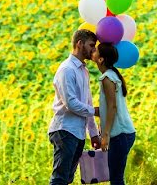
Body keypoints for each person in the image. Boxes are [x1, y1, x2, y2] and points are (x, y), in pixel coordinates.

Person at [48, 29, 102, 185]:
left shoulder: (84, 71)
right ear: (79, 44)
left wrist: (93, 133)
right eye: (91, 45)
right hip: (65, 129)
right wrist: (95, 111)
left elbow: (87, 103)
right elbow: (71, 103)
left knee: (67, 179)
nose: (94, 50)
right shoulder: (67, 69)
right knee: (60, 178)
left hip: (78, 132)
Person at [93, 41, 136, 185]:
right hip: (124, 133)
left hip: (120, 134)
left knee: (116, 178)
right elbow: (108, 108)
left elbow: (112, 107)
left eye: (96, 50)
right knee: (116, 177)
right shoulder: (112, 75)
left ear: (101, 59)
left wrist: (105, 135)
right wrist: (88, 110)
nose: (93, 51)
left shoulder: (107, 78)